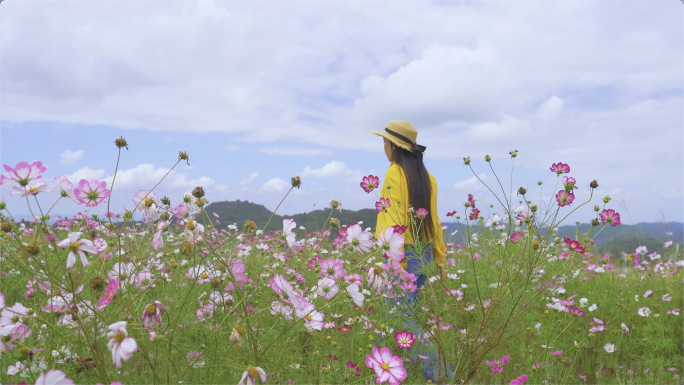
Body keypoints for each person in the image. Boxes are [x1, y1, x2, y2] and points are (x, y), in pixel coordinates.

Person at [371, 120, 449, 382]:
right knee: (402, 317)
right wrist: (439, 257)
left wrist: (397, 260)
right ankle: (395, 371)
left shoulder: (394, 172)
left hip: (402, 256)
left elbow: (391, 217)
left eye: (384, 142)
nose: (383, 147)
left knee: (404, 321)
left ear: (394, 145)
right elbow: (434, 220)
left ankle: (440, 377)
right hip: (425, 254)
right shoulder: (429, 178)